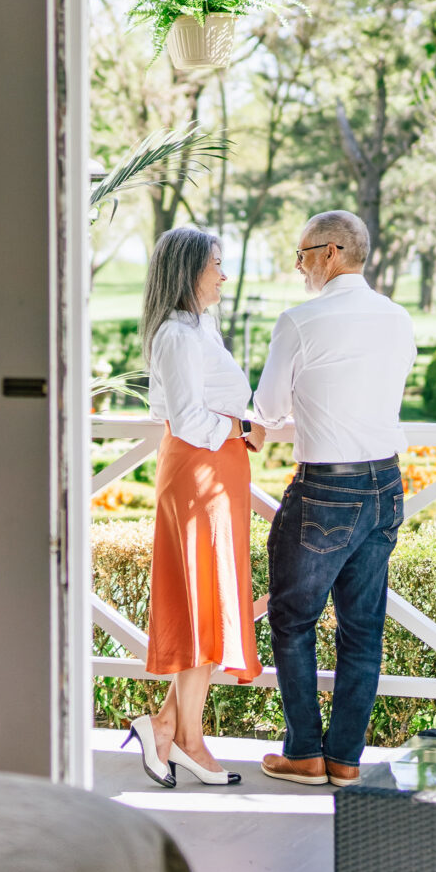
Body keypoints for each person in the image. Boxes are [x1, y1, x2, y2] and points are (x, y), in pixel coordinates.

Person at [253, 210, 416, 787]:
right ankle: (345, 758)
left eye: (302, 254)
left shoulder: (301, 320)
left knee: (292, 620)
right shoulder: (398, 319)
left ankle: (303, 751)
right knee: (363, 628)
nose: (298, 267)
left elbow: (268, 410)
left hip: (327, 485)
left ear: (330, 253)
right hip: (386, 483)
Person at [123, 227, 266, 789]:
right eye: (215, 266)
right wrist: (239, 426)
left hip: (217, 471)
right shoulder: (178, 336)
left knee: (208, 602)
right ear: (188, 271)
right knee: (202, 603)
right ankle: (184, 738)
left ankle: (171, 730)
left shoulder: (199, 327)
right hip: (199, 472)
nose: (223, 276)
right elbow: (184, 419)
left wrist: (240, 429)